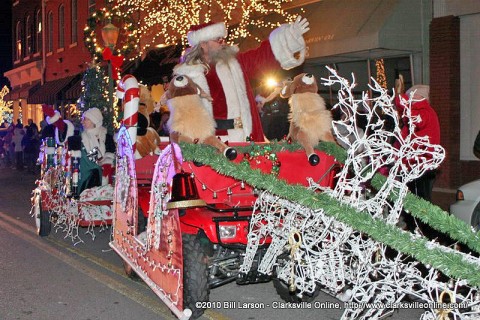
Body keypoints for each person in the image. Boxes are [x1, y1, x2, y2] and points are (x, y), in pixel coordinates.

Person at [173, 16, 310, 142]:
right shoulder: (188, 74)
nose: (223, 43)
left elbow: (261, 56)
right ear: (203, 44)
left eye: (223, 39)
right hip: (212, 142)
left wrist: (288, 37)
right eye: (218, 40)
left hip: (244, 136)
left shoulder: (234, 63)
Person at [394, 83, 441, 202]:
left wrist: (400, 97)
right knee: (413, 200)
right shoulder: (419, 112)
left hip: (421, 165)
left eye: (411, 97)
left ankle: (420, 221)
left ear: (420, 97)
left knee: (420, 202)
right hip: (414, 165)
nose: (409, 100)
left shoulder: (425, 111)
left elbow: (416, 119)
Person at [77, 108, 115, 191]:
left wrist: (105, 163)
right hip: (88, 172)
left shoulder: (106, 136)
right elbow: (86, 158)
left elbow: (110, 153)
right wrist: (97, 162)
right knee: (94, 172)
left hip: (105, 170)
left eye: (86, 119)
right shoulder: (82, 137)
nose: (82, 122)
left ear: (94, 121)